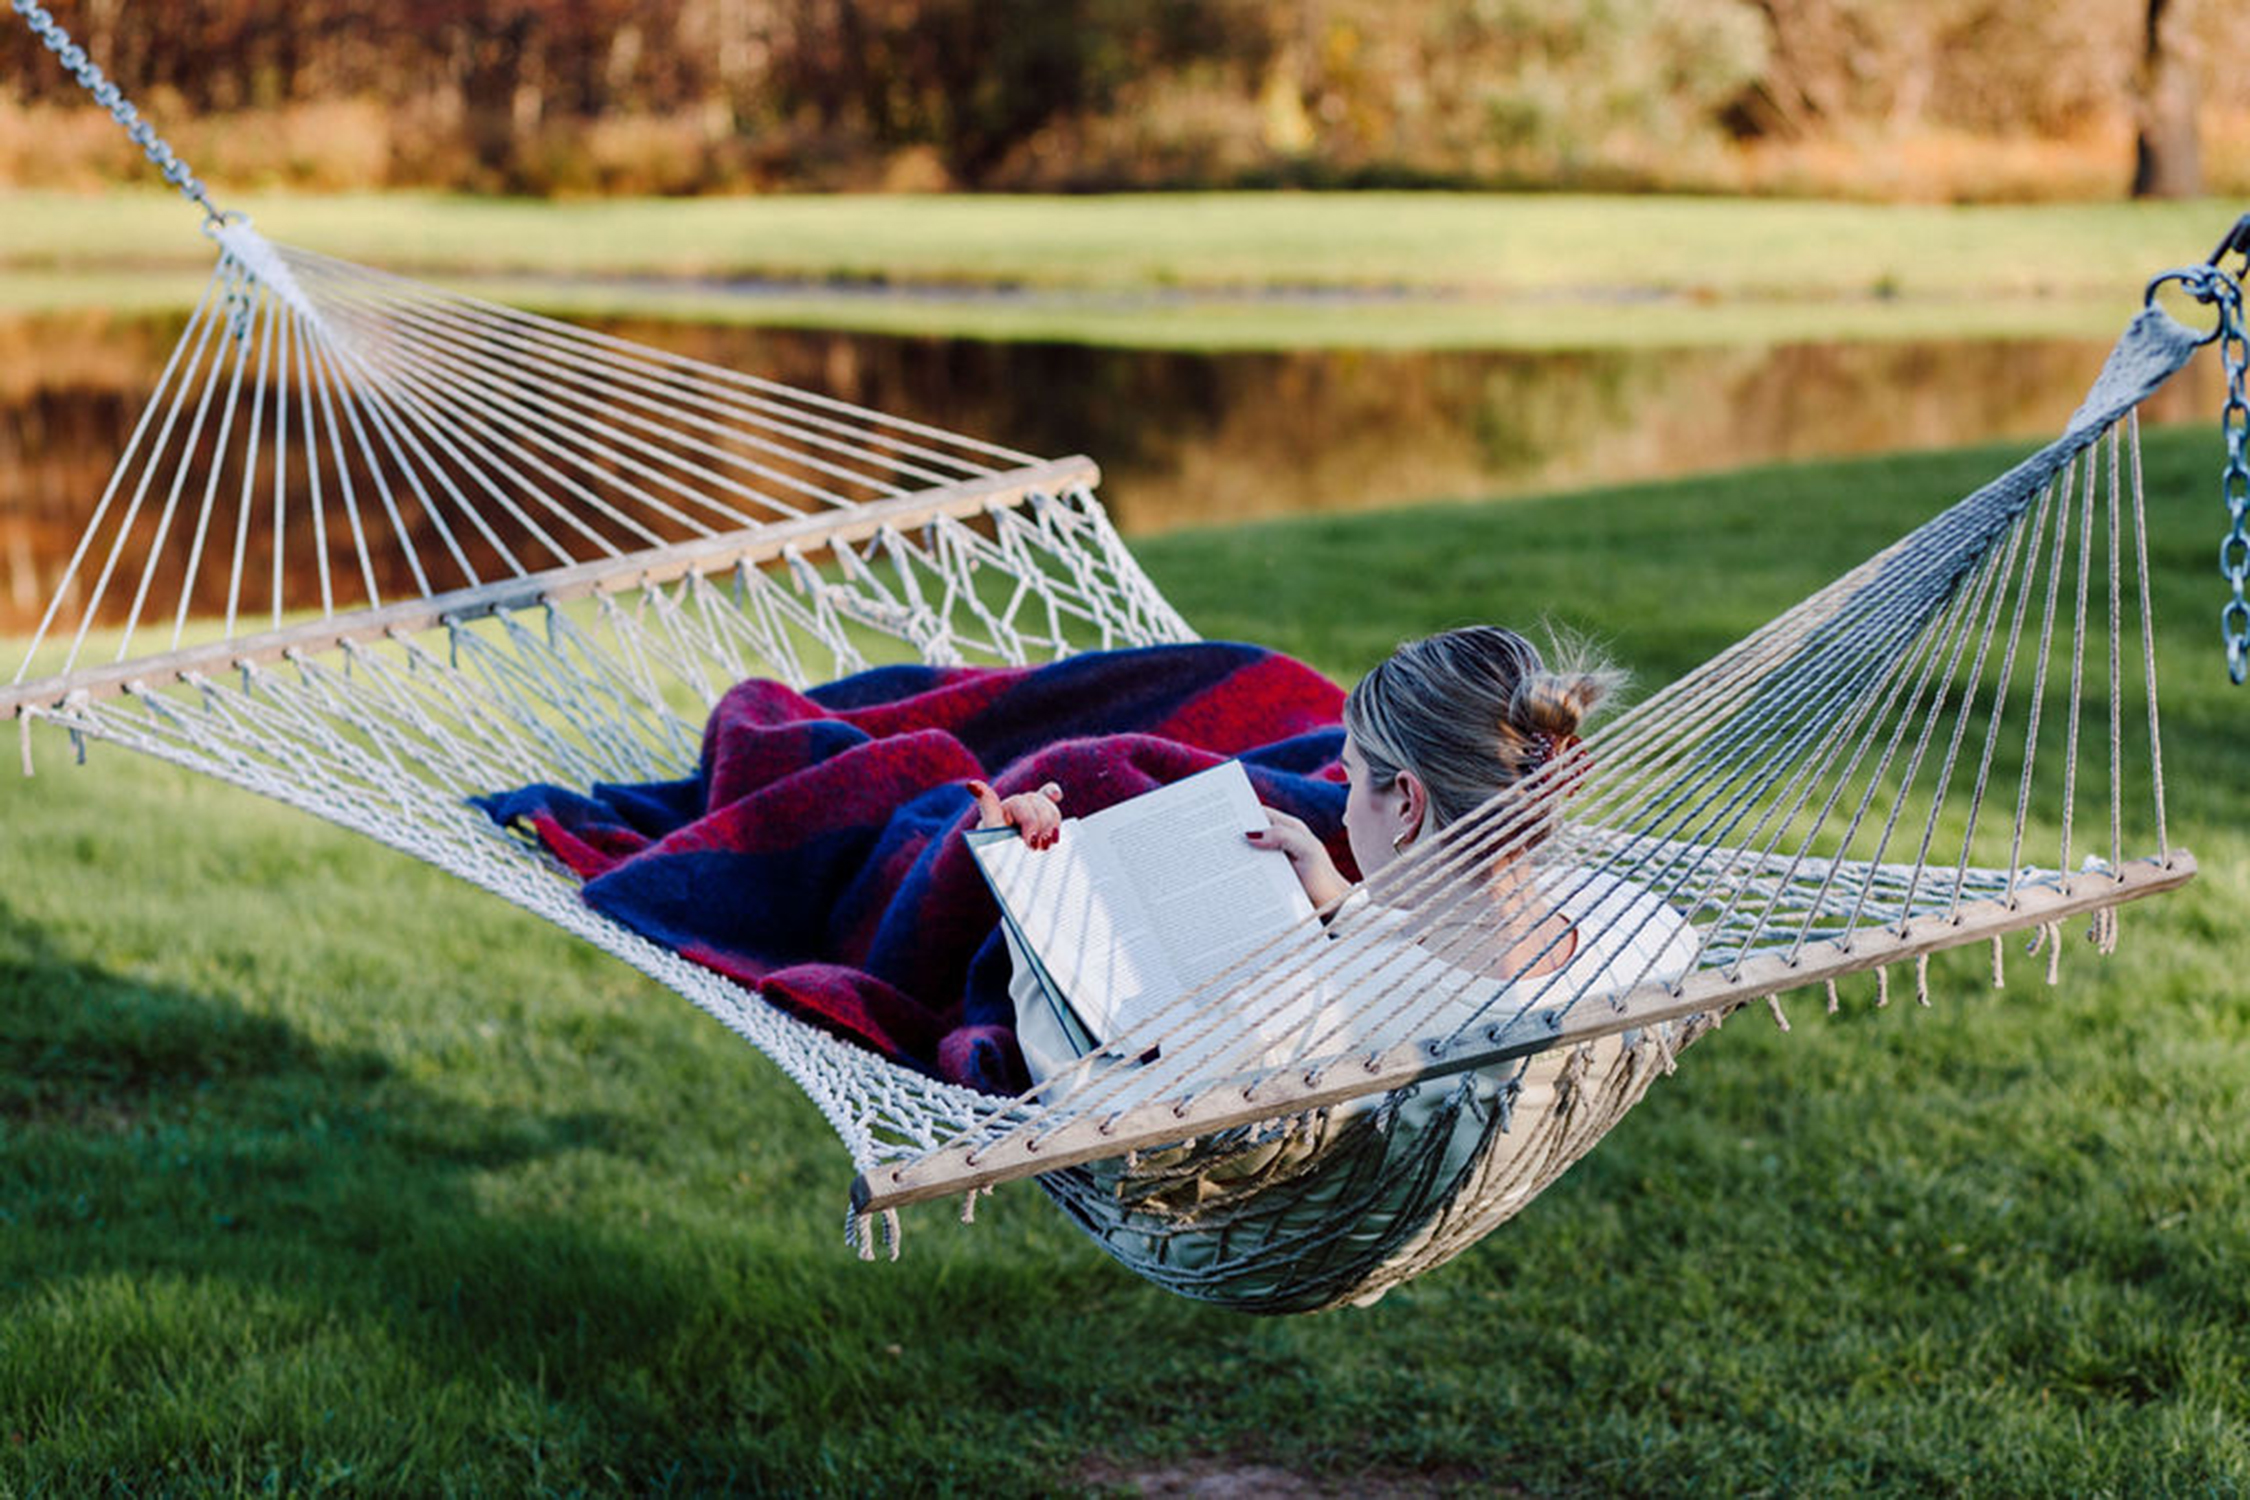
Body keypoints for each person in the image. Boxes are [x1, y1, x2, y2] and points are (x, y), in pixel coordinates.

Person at [967, 625, 1709, 1311]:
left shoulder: (1311, 1013)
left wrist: (1029, 897)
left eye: (1352, 780)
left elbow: (1094, 1123)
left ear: (1409, 803)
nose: (1347, 810)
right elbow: (1461, 979)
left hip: (1271, 1245)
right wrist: (1343, 901)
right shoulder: (1642, 931)